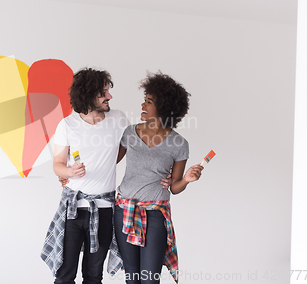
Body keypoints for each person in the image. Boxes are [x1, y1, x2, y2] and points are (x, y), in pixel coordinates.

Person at [40, 68, 130, 284]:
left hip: (105, 211)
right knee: (64, 275)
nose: (109, 96)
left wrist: (108, 162)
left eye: (108, 91)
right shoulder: (68, 125)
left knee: (93, 276)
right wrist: (70, 172)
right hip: (73, 211)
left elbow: (125, 148)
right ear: (88, 95)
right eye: (103, 93)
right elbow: (58, 165)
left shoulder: (118, 119)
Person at [114, 71, 203, 284]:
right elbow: (108, 163)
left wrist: (187, 179)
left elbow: (175, 187)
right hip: (124, 210)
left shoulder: (179, 144)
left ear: (163, 108)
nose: (143, 106)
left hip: (155, 215)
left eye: (149, 102)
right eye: (144, 101)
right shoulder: (129, 133)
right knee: (132, 277)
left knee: (150, 279)